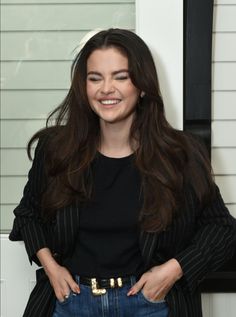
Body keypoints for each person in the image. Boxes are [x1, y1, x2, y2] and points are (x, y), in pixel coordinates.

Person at [9, 28, 236, 317]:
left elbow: (221, 229)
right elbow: (28, 214)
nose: (106, 89)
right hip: (70, 303)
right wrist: (51, 267)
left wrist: (174, 270)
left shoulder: (181, 153)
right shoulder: (56, 149)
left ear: (142, 85)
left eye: (121, 76)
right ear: (84, 86)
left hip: (151, 305)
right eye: (95, 78)